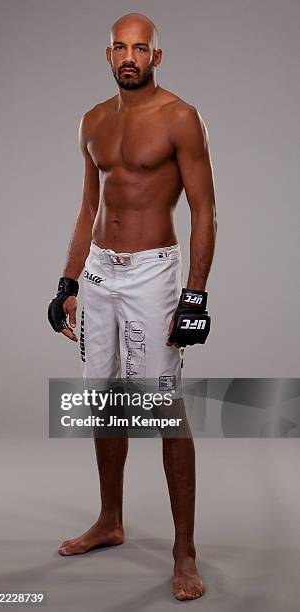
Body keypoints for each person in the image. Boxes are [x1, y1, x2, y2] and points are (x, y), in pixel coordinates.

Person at [48, 12, 217, 601]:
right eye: (120, 47)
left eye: (140, 48)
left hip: (151, 273)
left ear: (156, 56)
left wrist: (195, 292)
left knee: (163, 408)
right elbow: (87, 205)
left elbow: (204, 209)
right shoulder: (93, 121)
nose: (129, 56)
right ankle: (111, 520)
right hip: (99, 268)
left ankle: (184, 549)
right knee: (102, 400)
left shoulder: (179, 118)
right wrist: (69, 281)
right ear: (108, 53)